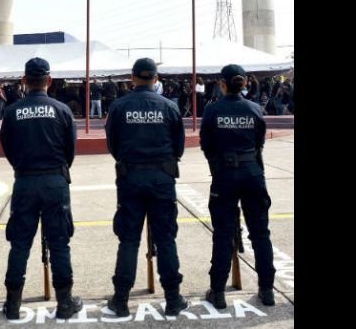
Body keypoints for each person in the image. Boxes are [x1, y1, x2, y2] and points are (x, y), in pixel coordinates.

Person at [0, 58, 82, 320]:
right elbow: (70, 151)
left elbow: (7, 147)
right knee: (59, 244)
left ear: (24, 81)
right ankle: (65, 302)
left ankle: (12, 304)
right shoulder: (62, 110)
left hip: (25, 181)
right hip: (55, 182)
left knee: (19, 244)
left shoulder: (12, 112)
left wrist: (24, 167)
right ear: (50, 80)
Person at [104, 58, 188, 317]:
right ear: (155, 78)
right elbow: (179, 147)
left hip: (130, 179)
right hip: (162, 179)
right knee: (165, 239)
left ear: (132, 78)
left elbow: (112, 146)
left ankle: (120, 300)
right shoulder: (169, 107)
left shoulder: (119, 107)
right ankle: (173, 298)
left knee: (129, 239)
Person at [199, 64, 276, 309]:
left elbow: (206, 144)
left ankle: (219, 291)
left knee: (223, 233)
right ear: (244, 84)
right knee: (260, 233)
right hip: (252, 172)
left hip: (225, 174)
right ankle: (267, 289)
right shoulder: (254, 108)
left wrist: (219, 164)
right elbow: (259, 142)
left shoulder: (213, 110)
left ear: (223, 84)